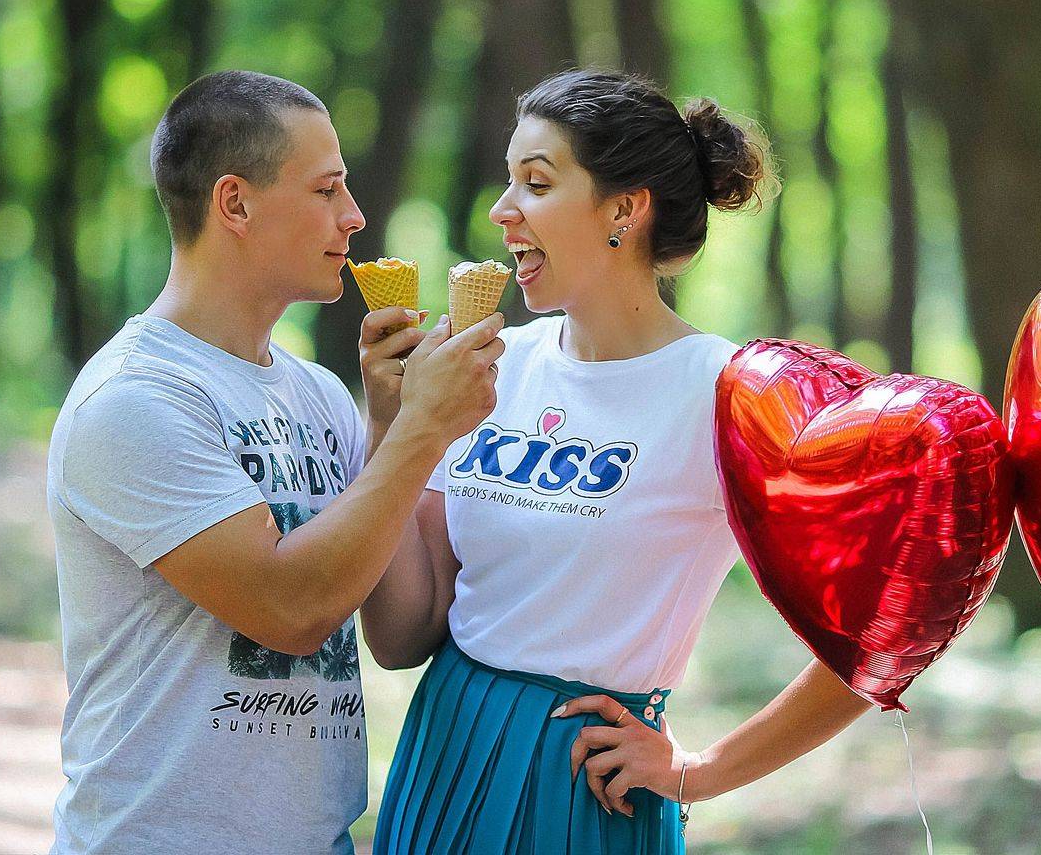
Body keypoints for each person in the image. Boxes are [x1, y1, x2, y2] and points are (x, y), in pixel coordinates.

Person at [360, 70, 870, 855]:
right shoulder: (490, 368)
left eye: (536, 183)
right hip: (442, 761)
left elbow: (876, 632)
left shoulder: (730, 395)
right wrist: (391, 423)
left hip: (585, 786)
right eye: (508, 181)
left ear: (625, 210)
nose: (501, 211)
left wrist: (700, 772)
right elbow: (398, 638)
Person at [45, 70, 502, 854]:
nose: (354, 216)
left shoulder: (320, 395)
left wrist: (389, 425)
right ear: (235, 203)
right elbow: (291, 612)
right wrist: (423, 430)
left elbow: (398, 633)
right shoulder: (133, 400)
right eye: (326, 190)